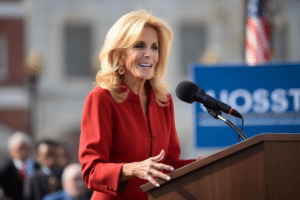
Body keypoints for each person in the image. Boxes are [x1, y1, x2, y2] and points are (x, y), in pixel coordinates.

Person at [78, 10, 198, 200]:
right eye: (139, 46)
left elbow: (169, 163)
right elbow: (91, 171)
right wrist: (130, 169)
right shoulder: (102, 98)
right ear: (119, 54)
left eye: (154, 47)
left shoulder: (163, 100)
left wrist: (206, 165)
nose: (149, 54)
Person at [0, 131, 40, 200]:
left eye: (24, 148)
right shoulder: (4, 170)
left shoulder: (38, 167)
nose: (22, 152)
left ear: (30, 149)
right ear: (11, 152)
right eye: (18, 149)